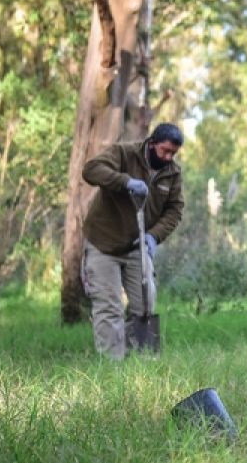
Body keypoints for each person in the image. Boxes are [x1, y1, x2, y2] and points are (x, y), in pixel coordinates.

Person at [81, 123, 185, 360]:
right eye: (164, 151)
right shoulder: (124, 153)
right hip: (103, 244)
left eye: (173, 153)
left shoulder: (172, 173)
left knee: (146, 303)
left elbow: (174, 210)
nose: (168, 157)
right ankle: (113, 364)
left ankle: (142, 361)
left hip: (138, 246)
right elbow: (91, 170)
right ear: (151, 143)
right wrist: (125, 182)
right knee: (110, 307)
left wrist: (153, 236)